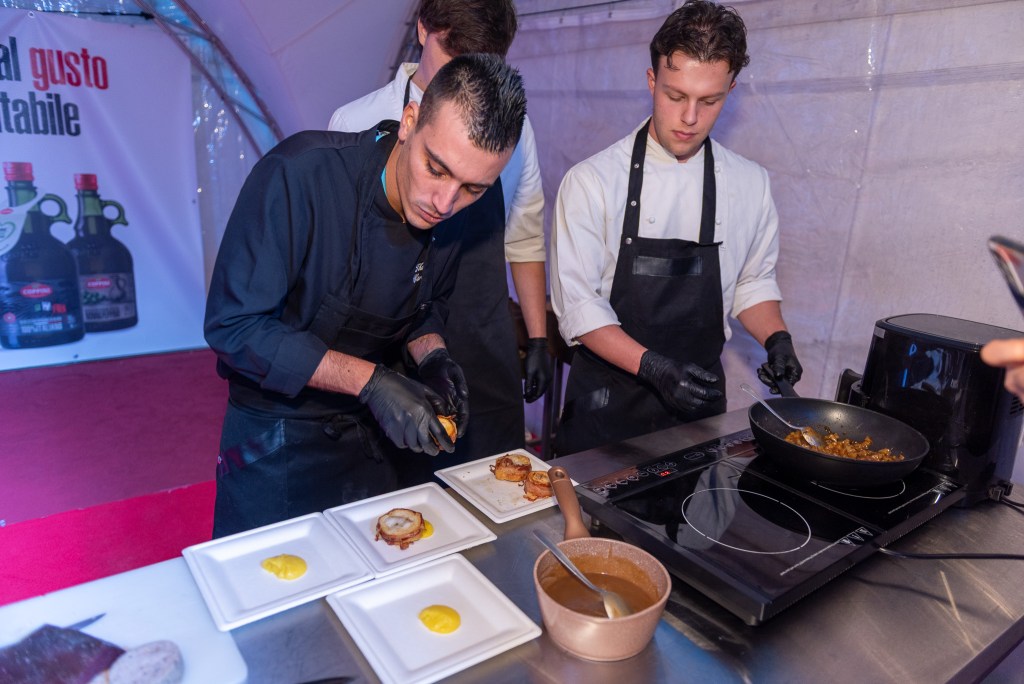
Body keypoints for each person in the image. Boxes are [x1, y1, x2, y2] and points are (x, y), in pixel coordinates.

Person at [204, 54, 527, 537]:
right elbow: (235, 327)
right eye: (435, 168)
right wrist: (371, 381)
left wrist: (434, 358)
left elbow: (425, 305)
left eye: (471, 188)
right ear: (409, 121)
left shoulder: (463, 206)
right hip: (276, 441)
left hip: (370, 441)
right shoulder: (299, 176)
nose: (445, 203)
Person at [549, 0, 802, 456]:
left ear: (731, 89)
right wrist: (656, 370)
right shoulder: (593, 182)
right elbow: (578, 307)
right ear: (651, 82)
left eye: (709, 101)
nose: (690, 118)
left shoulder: (749, 183)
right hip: (606, 412)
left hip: (698, 416)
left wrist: (777, 339)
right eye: (674, 95)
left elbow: (750, 283)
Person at [328, 0, 550, 470]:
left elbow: (525, 236)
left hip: (481, 340)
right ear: (424, 28)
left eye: (487, 61)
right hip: (392, 352)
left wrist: (539, 337)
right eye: (457, 53)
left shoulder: (513, 129)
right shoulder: (356, 121)